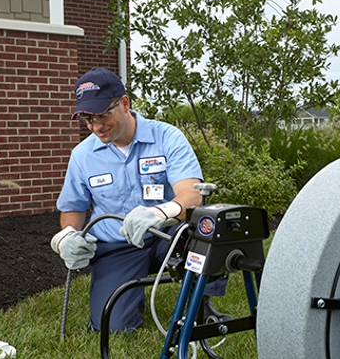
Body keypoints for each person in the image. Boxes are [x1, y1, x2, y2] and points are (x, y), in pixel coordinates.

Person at [51, 67, 229, 333]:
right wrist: (66, 236)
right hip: (117, 247)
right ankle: (124, 302)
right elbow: (73, 208)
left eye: (103, 115)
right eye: (88, 119)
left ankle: (202, 304)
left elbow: (193, 194)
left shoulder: (167, 137)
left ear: (124, 103)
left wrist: (160, 213)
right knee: (111, 327)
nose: (96, 127)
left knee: (207, 228)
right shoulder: (82, 155)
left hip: (165, 237)